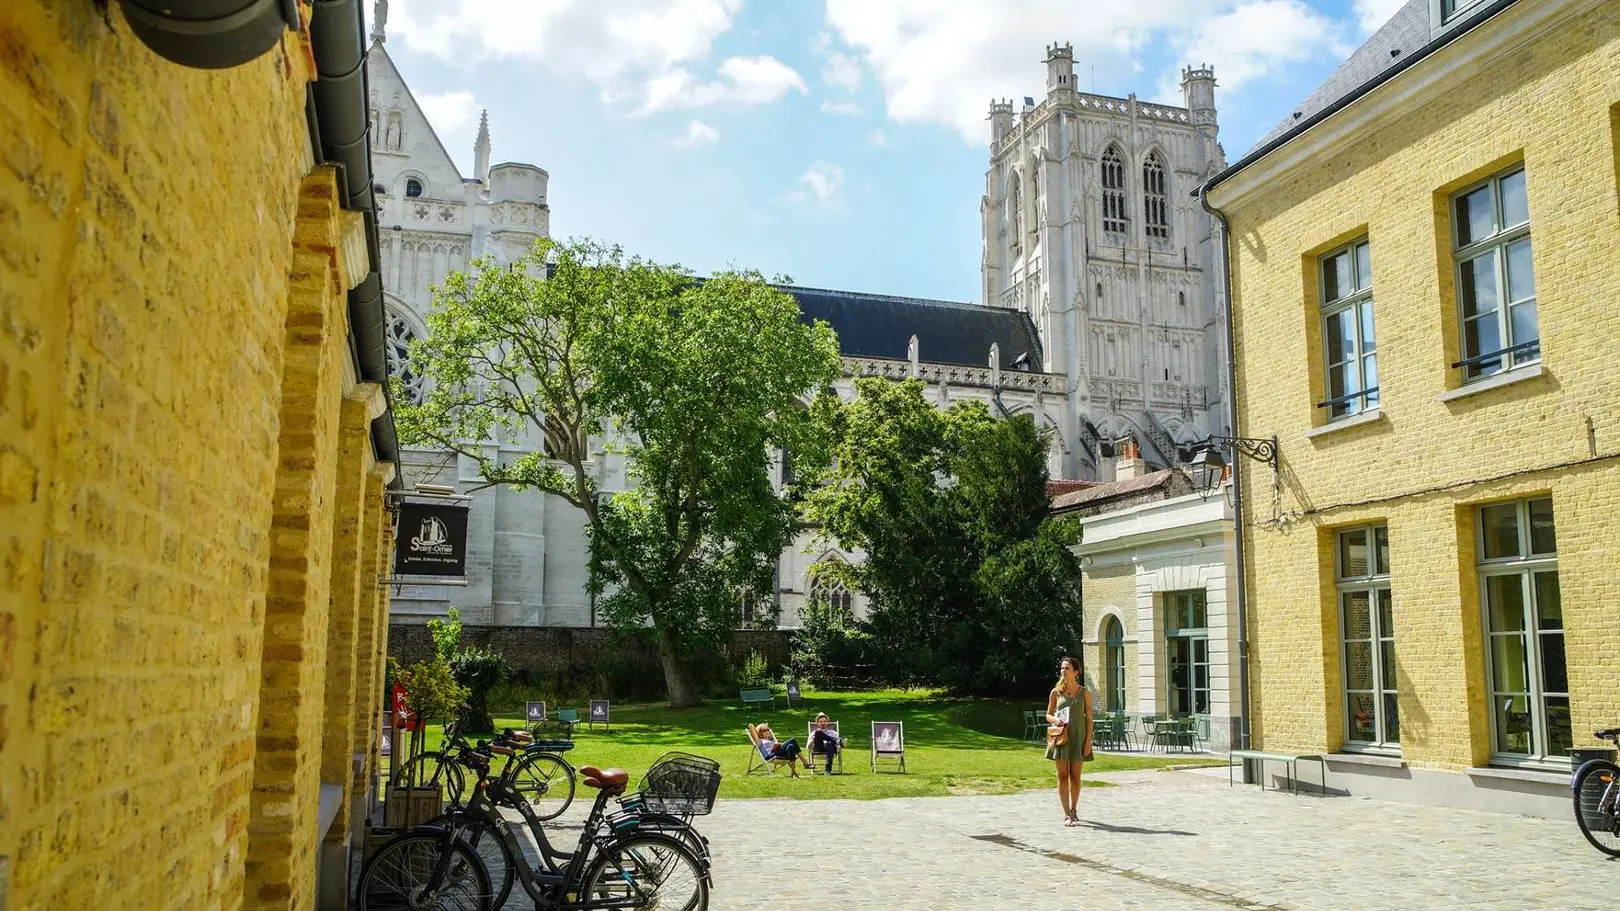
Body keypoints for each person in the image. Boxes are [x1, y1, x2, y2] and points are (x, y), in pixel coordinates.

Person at [1045, 654, 1093, 826]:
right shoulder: (1055, 692)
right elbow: (1048, 714)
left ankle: (1074, 809)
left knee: (1075, 776)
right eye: (1062, 668)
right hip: (1061, 738)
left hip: (1078, 738)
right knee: (1062, 775)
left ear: (1076, 672)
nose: (1063, 671)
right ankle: (1067, 814)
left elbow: (1089, 719)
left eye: (1067, 668)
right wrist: (1054, 720)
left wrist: (1088, 742)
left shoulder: (1084, 692)